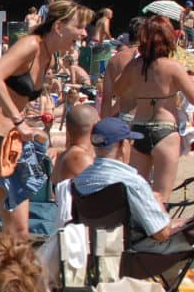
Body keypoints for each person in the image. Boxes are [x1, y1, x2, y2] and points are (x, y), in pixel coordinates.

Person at [0, 0, 92, 268]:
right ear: (59, 26)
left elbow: (15, 95)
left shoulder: (50, 58)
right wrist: (19, 120)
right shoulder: (30, 45)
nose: (84, 33)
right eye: (80, 27)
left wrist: (31, 124)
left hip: (12, 145)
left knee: (19, 232)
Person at [73, 117, 192, 252]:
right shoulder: (131, 182)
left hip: (95, 248)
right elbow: (161, 234)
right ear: (123, 146)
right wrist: (159, 205)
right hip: (134, 253)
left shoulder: (79, 180)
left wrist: (183, 222)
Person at [110, 15, 194, 205]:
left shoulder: (135, 65)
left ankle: (137, 232)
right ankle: (159, 232)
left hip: (139, 128)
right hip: (165, 130)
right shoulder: (173, 67)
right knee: (161, 197)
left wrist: (139, 87)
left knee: (139, 196)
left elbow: (118, 89)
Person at [101, 17, 141, 119]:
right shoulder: (152, 58)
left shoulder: (115, 60)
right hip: (145, 117)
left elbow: (106, 99)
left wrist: (105, 125)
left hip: (124, 116)